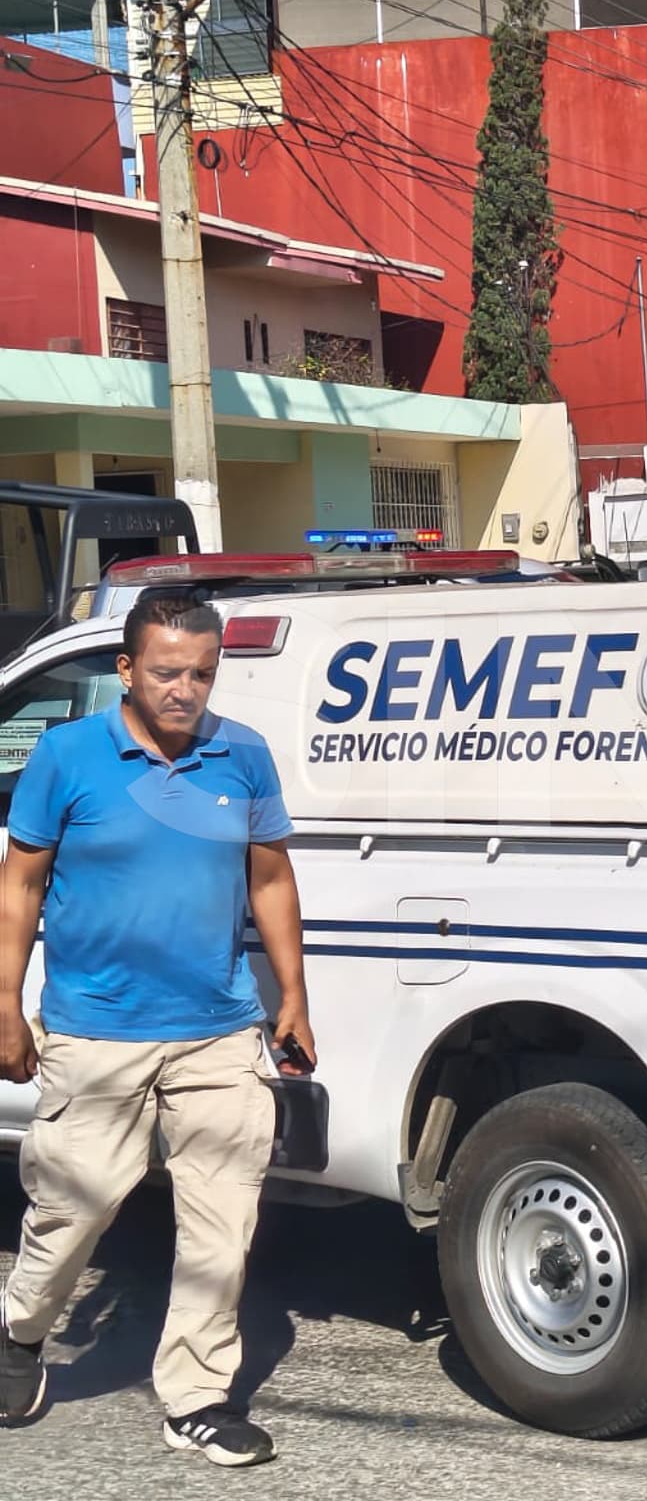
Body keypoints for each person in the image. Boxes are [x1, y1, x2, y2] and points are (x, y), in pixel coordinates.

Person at [0, 592, 315, 1466]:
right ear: (126, 670)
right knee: (77, 1205)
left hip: (216, 1028)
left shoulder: (241, 756)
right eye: (169, 672)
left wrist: (292, 994)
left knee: (222, 1219)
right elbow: (19, 887)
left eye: (203, 673)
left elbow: (271, 881)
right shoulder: (65, 755)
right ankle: (19, 1330)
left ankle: (197, 1397)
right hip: (96, 1031)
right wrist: (5, 1005)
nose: (187, 690)